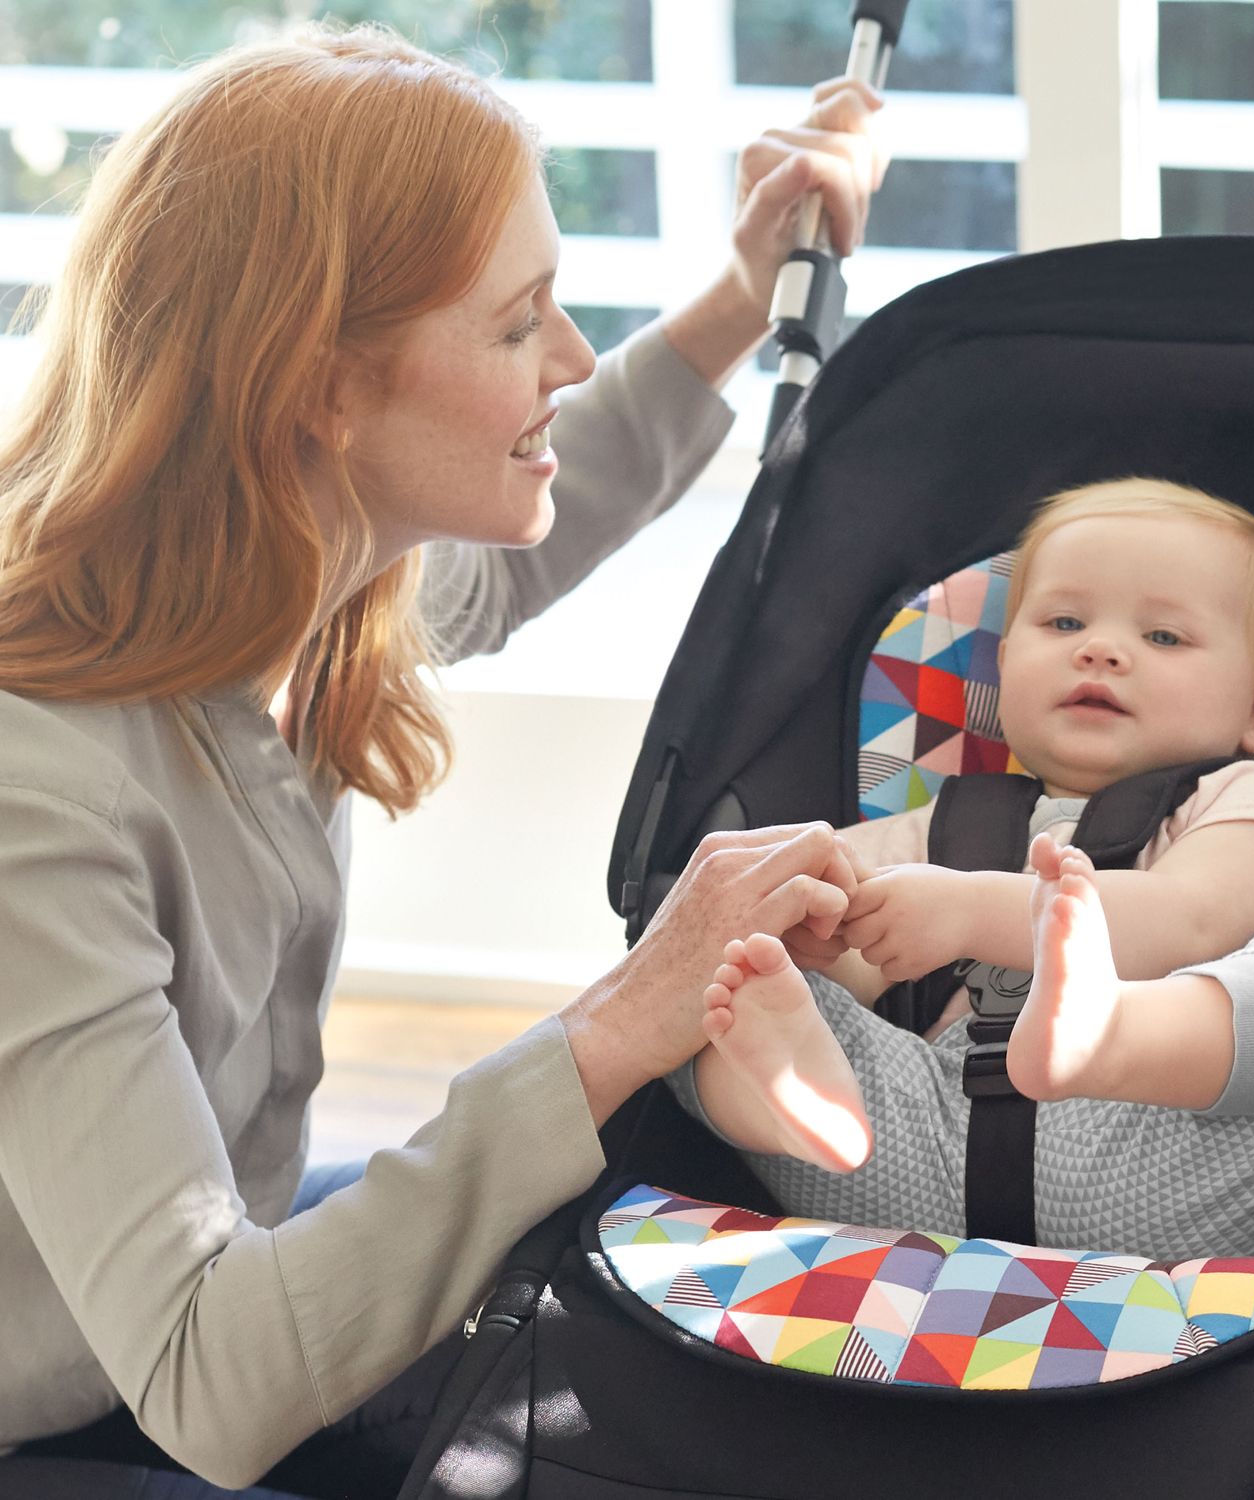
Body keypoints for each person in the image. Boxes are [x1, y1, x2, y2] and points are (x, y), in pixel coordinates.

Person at [0, 22, 883, 1498]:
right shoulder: (40, 792)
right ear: (322, 389)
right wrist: (616, 1021)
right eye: (516, 320)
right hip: (70, 1401)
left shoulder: (299, 589)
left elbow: (530, 537)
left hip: (186, 1305)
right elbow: (211, 1384)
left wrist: (745, 297)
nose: (573, 356)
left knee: (593, 1270)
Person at [672, 479, 1254, 1261]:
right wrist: (815, 949)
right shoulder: (931, 827)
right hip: (896, 1147)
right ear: (1003, 666)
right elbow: (840, 957)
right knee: (711, 966)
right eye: (1064, 622)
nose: (1100, 648)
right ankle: (792, 1099)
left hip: (1162, 1160)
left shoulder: (1240, 797)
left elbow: (1192, 917)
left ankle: (1111, 1035)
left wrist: (970, 913)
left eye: (1164, 637)